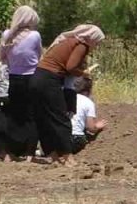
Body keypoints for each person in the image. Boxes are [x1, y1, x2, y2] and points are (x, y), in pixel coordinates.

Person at [30, 24, 105, 166]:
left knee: (44, 118)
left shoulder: (66, 41)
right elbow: (71, 66)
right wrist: (83, 73)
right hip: (49, 79)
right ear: (92, 38)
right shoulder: (82, 45)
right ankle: (67, 156)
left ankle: (52, 154)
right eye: (97, 42)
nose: (97, 45)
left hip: (36, 77)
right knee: (61, 118)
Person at [0, 6, 43, 159]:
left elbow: (2, 57)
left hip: (14, 77)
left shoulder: (7, 35)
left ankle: (10, 152)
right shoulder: (35, 36)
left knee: (13, 115)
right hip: (32, 77)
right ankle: (30, 153)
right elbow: (39, 56)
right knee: (32, 115)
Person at [69, 76, 106, 155]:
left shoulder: (66, 98)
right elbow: (91, 128)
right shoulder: (88, 102)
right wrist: (98, 126)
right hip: (75, 139)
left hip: (60, 138)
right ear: (88, 90)